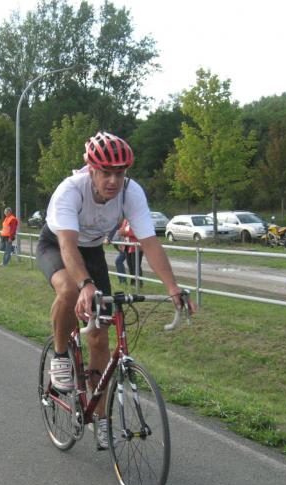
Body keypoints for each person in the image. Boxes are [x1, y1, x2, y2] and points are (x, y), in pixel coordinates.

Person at [36, 131, 196, 449]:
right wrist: (85, 285)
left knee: (99, 337)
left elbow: (149, 242)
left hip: (92, 251)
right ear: (91, 170)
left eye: (119, 173)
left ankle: (101, 418)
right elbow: (67, 246)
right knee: (69, 290)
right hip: (57, 245)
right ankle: (60, 357)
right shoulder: (70, 191)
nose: (113, 181)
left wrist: (173, 287)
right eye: (106, 173)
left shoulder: (130, 193)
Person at [116, 218, 143, 285]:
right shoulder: (125, 220)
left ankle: (139, 283)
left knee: (136, 265)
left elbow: (138, 232)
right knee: (130, 265)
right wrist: (121, 232)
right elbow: (122, 230)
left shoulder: (137, 219)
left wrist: (126, 232)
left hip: (136, 246)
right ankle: (133, 282)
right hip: (127, 246)